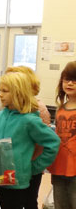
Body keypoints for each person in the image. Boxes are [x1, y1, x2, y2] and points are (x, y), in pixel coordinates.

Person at [0, 72, 60, 209]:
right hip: (0, 175)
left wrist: (35, 167)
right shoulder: (0, 116)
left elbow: (53, 142)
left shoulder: (29, 120)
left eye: (5, 91)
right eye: (0, 90)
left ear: (19, 93)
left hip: (18, 181)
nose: (0, 94)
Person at [5, 66, 51, 209]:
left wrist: (34, 165)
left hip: (29, 167)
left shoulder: (38, 108)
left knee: (29, 200)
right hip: (11, 164)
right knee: (10, 200)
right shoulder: (9, 107)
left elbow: (44, 143)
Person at [47, 61, 76, 209]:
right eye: (66, 79)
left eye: (75, 80)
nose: (70, 83)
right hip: (60, 165)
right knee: (60, 204)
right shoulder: (60, 110)